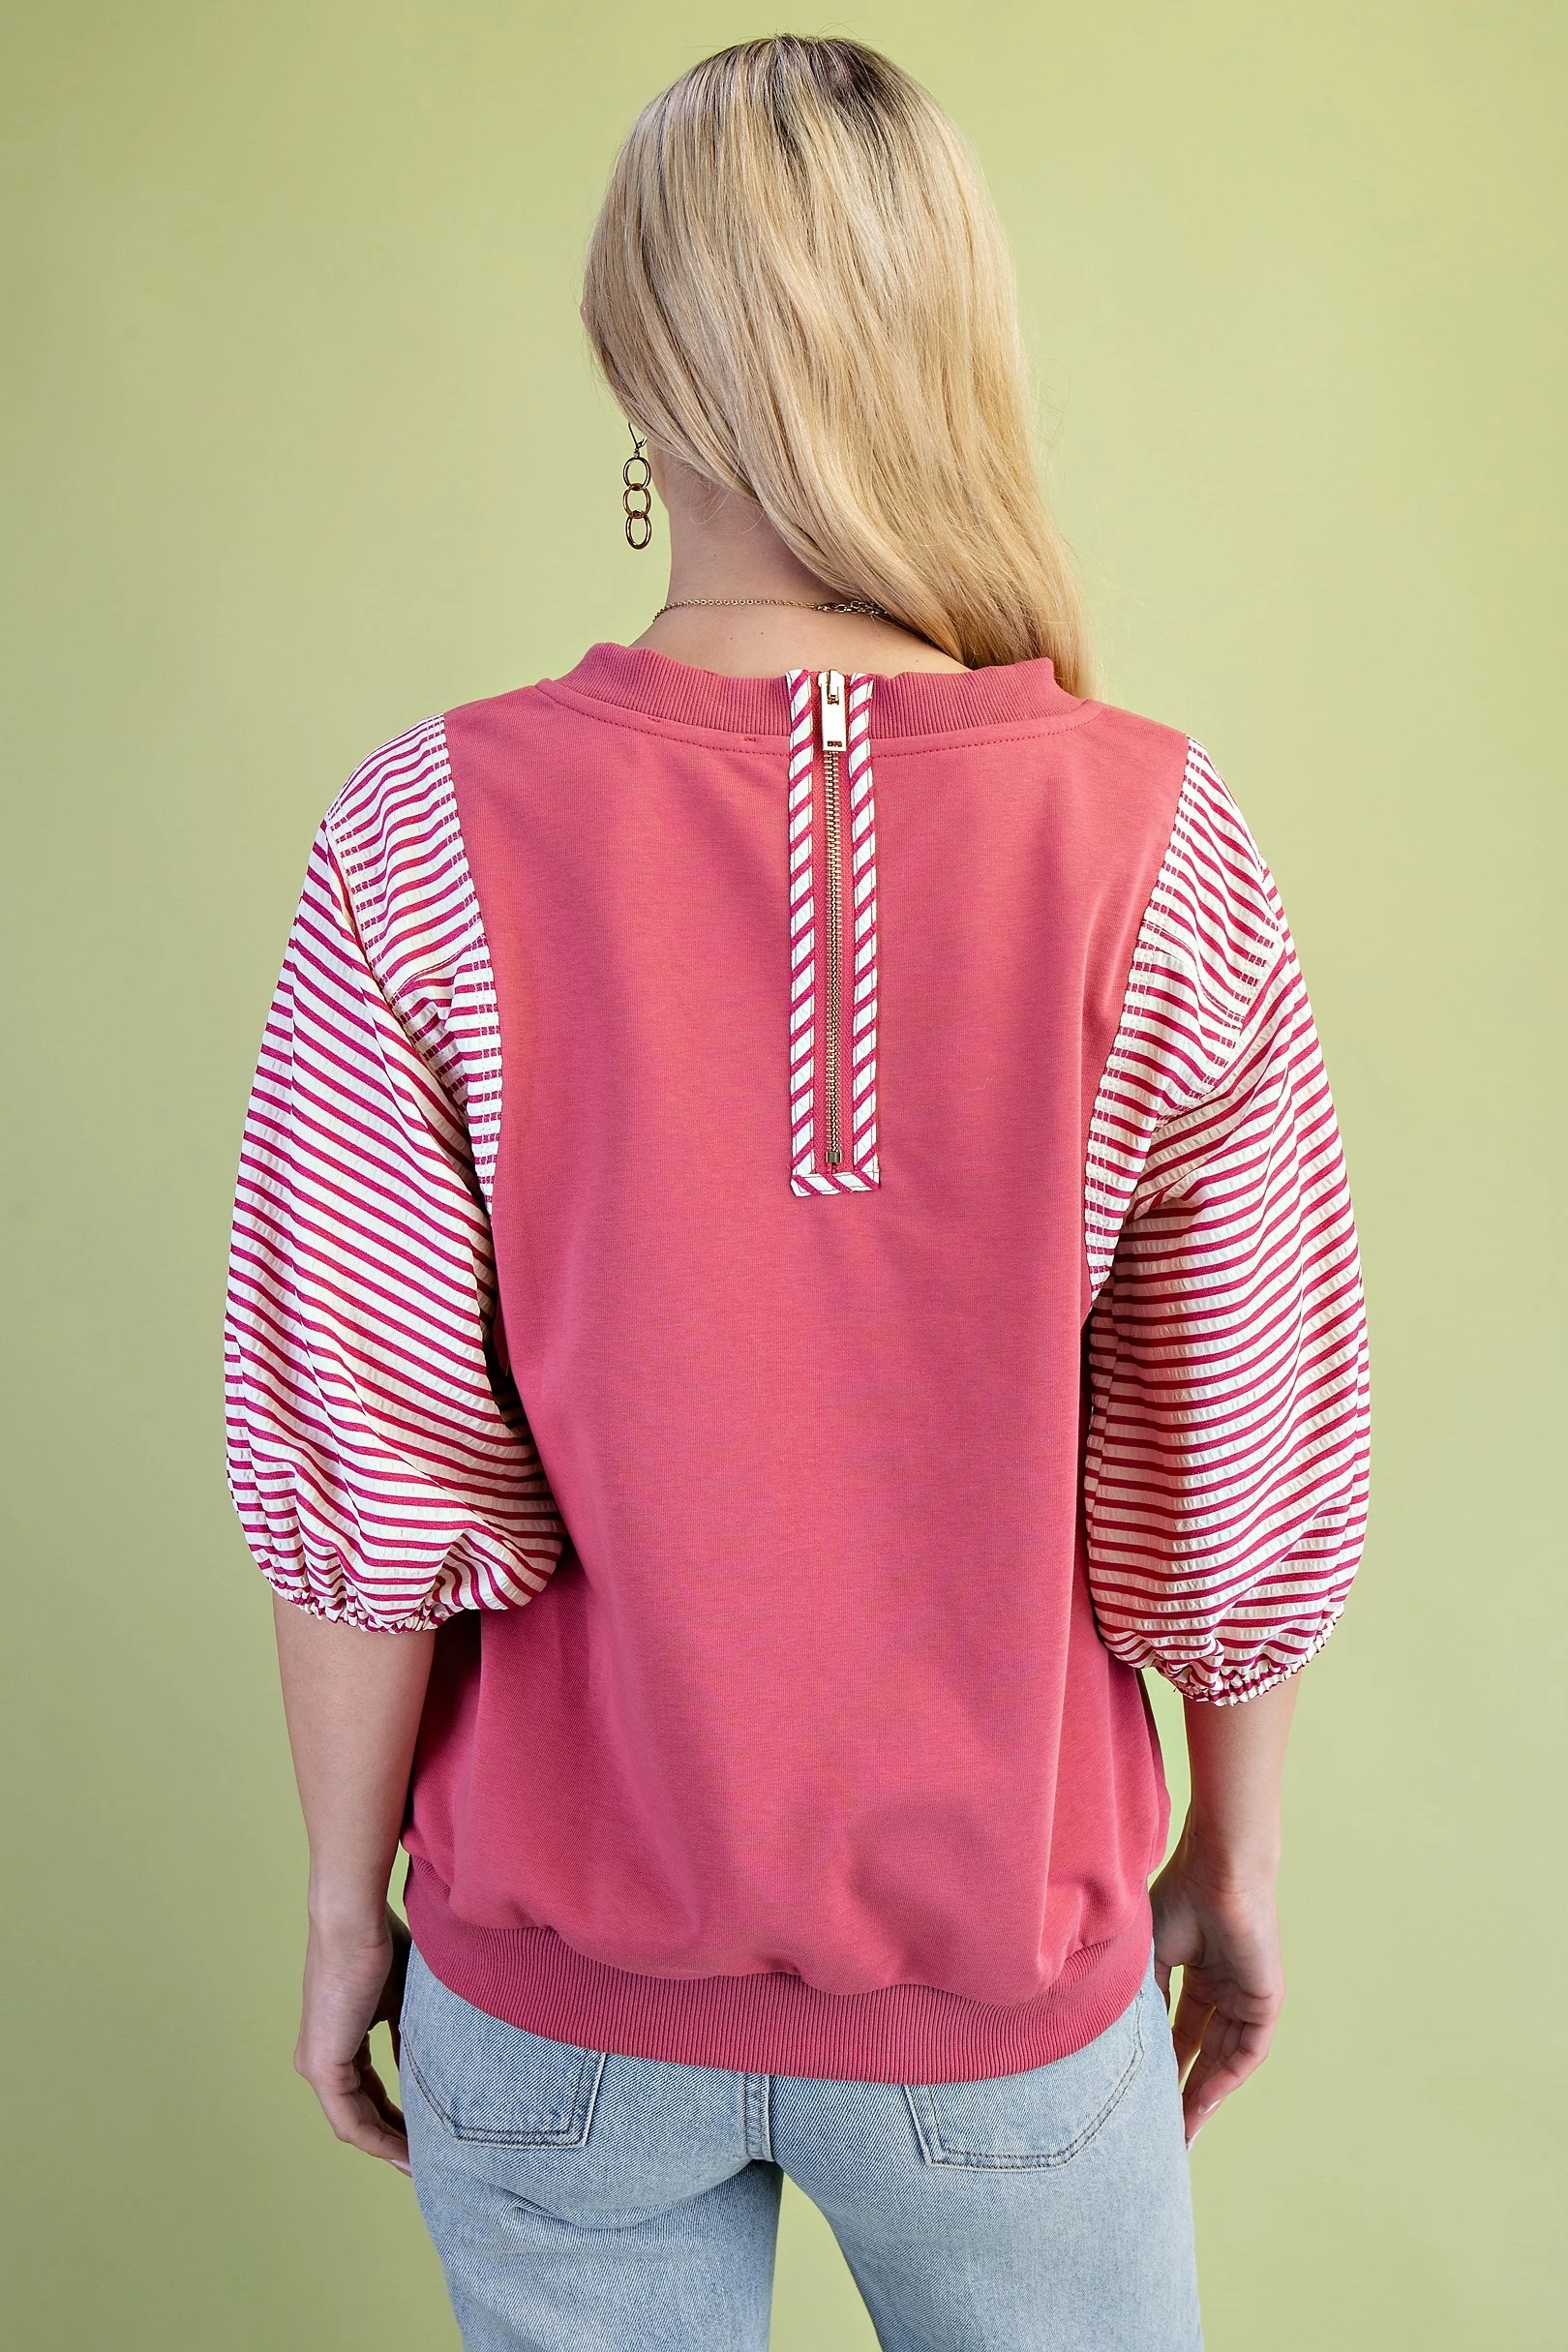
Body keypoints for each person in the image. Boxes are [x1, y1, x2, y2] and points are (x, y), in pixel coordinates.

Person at [224, 35, 1370, 2352]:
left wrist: (347, 1907)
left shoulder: (415, 840)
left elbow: (360, 1452)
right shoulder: (1159, 843)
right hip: (1006, 2002)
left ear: (633, 365)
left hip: (550, 2007)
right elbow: (1236, 1455)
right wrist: (1233, 1866)